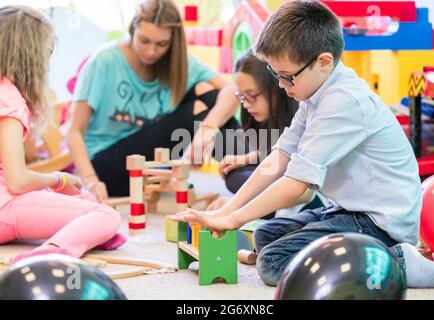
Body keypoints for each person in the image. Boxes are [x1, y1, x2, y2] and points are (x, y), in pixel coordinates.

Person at [174, 0, 434, 288]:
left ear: (323, 62)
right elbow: (279, 157)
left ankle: (398, 261)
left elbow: (297, 185)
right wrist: (228, 211)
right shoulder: (314, 93)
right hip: (349, 211)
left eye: (287, 76)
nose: (281, 85)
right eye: (275, 74)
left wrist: (235, 220)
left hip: (380, 224)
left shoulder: (343, 100)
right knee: (265, 235)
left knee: (272, 262)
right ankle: (363, 253)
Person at [68, 0, 240, 201]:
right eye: (144, 40)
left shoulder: (179, 63)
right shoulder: (104, 61)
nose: (151, 51)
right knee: (196, 107)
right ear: (132, 30)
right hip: (106, 169)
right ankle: (250, 175)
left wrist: (206, 130)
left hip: (152, 165)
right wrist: (90, 180)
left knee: (209, 96)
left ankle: (247, 169)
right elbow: (74, 132)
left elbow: (232, 90)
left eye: (161, 44)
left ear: (172, 42)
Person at [0, 6, 126, 264]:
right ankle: (49, 254)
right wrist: (59, 179)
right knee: (106, 215)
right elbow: (17, 181)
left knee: (83, 198)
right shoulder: (9, 101)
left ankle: (87, 233)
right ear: (31, 57)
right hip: (4, 209)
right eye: (47, 54)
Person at [208, 51, 325, 218]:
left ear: (276, 88)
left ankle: (260, 207)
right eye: (241, 96)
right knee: (234, 174)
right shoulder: (267, 118)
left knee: (246, 182)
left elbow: (301, 190)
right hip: (287, 185)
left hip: (308, 199)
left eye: (251, 95)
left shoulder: (303, 114)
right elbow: (277, 153)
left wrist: (236, 208)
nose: (246, 104)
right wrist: (245, 159)